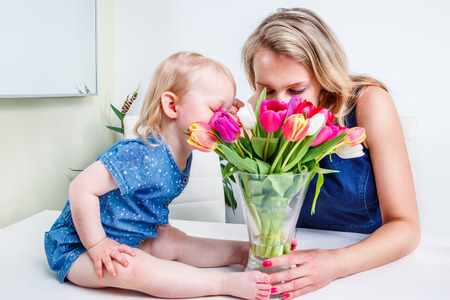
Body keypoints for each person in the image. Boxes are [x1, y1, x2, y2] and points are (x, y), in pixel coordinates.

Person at [44, 52, 273, 300]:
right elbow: (81, 188)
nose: (224, 119)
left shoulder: (182, 152)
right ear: (172, 106)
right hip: (78, 249)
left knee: (175, 241)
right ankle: (222, 283)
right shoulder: (140, 153)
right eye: (217, 109)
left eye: (228, 110)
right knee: (137, 268)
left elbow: (145, 196)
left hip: (133, 236)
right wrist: (98, 244)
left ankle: (243, 252)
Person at [236, 8, 420, 298]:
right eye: (267, 89)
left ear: (324, 78)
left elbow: (407, 229)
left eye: (296, 90)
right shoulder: (259, 111)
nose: (280, 105)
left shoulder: (369, 105)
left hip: (368, 268)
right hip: (290, 265)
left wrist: (335, 264)